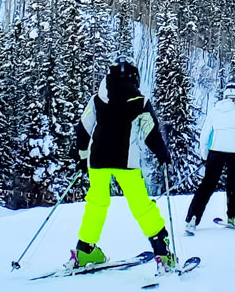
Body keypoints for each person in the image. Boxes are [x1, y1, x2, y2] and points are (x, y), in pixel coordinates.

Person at [71, 61, 175, 270]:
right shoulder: (139, 101)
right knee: (140, 205)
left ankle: (85, 249)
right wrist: (162, 154)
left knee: (97, 203)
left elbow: (83, 129)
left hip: (97, 160)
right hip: (125, 161)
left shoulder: (97, 99)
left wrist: (82, 157)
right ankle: (161, 250)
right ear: (134, 77)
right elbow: (150, 132)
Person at [186, 83, 235, 234]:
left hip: (215, 152)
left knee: (207, 185)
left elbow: (205, 135)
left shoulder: (214, 112)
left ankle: (193, 218)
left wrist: (204, 155)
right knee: (234, 183)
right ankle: (234, 216)